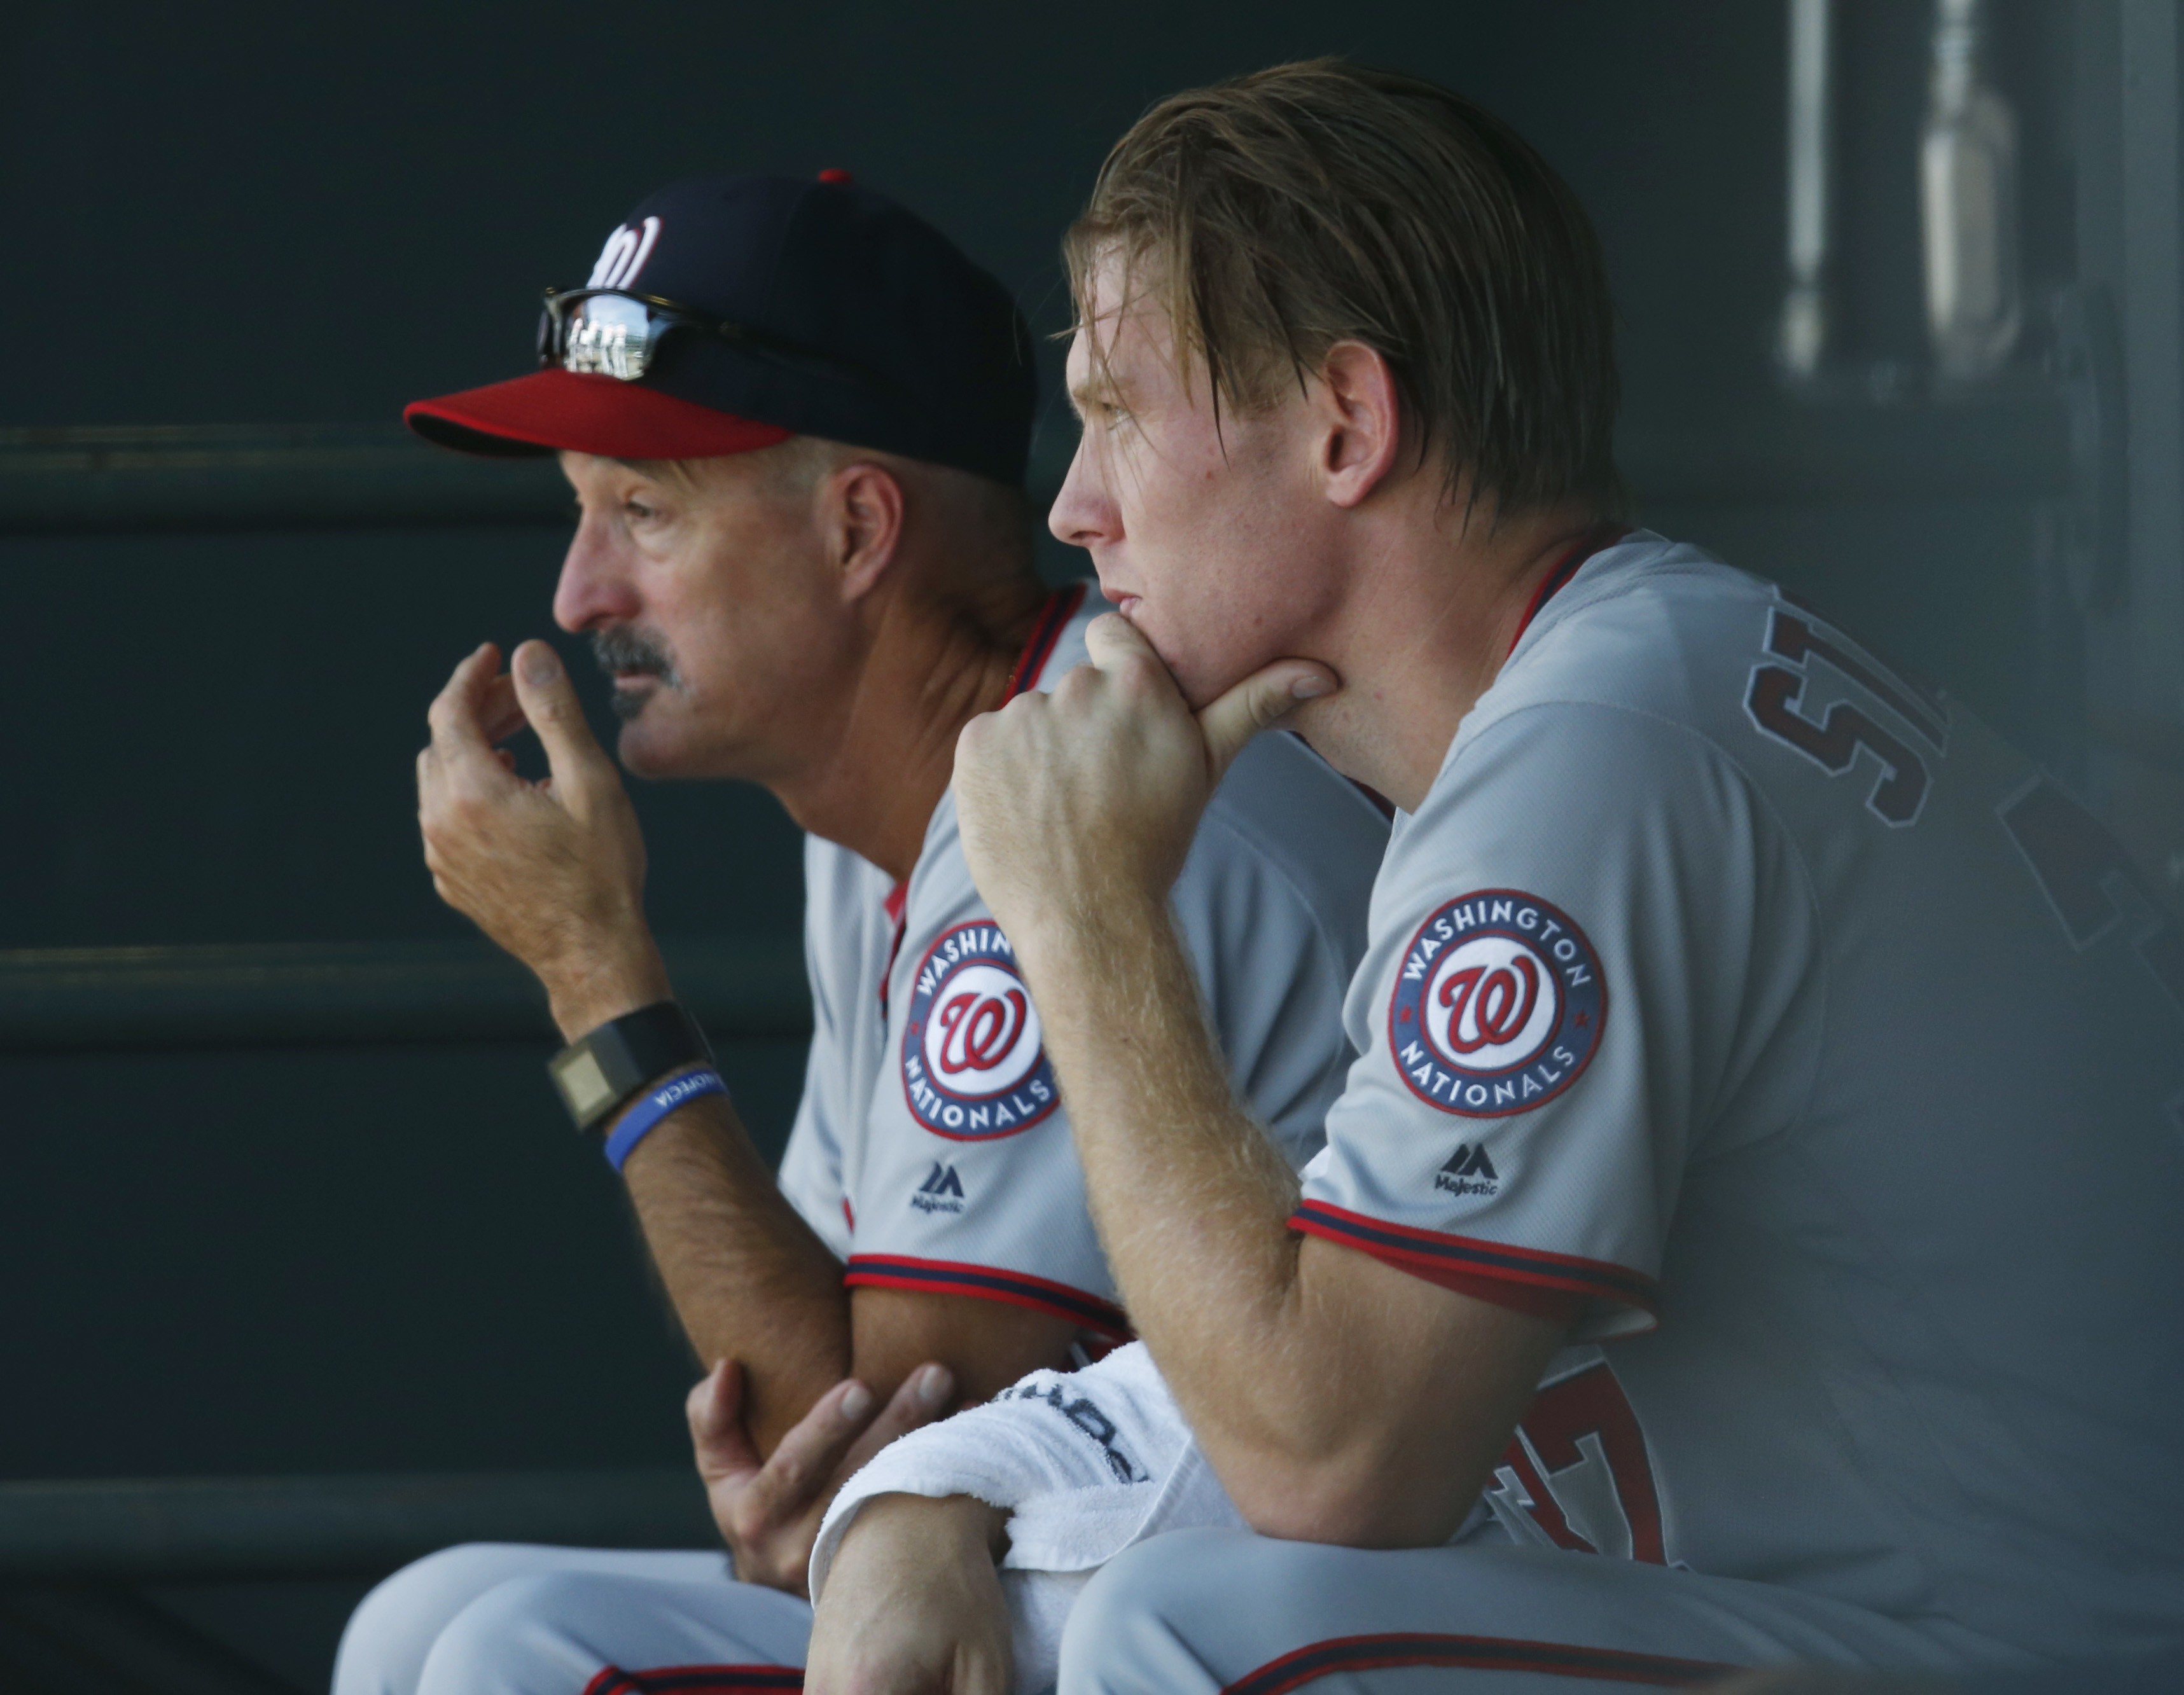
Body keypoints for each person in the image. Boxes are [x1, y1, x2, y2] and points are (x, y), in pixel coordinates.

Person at [800, 60, 2184, 1695]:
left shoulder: (1592, 749)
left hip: (2031, 1650)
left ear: (1344, 424)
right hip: (1855, 1602)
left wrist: (1089, 917)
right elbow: (1335, 1313)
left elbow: (1333, 1457)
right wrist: (931, 1485)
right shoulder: (1587, 700)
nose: (1074, 507)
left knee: (1195, 1633)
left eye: (1116, 413)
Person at [333, 170, 1388, 1695]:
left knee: (518, 1655)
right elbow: (826, 1442)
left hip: (1276, 1596)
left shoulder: (1085, 776)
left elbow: (878, 1433)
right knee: (420, 1619)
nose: (577, 593)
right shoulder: (882, 801)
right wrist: (807, 1477)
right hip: (1092, 1552)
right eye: (580, 515)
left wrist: (596, 980)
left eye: (643, 511)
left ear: (855, 528)